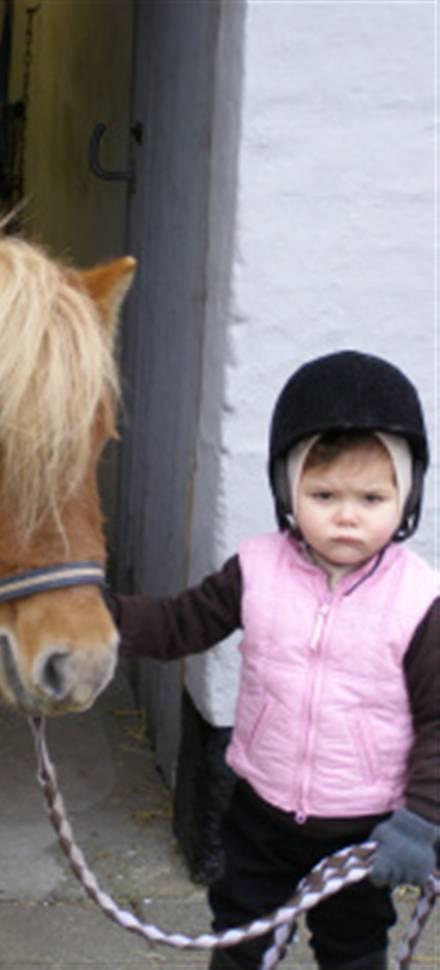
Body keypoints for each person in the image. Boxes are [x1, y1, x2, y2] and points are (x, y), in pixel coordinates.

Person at [107, 351, 439, 970]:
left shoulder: (421, 600)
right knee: (240, 938)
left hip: (365, 825)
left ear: (407, 494)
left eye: (371, 496)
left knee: (354, 951)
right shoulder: (256, 570)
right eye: (323, 493)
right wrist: (103, 618)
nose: (346, 514)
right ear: (287, 489)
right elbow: (182, 622)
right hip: (260, 811)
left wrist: (421, 821)